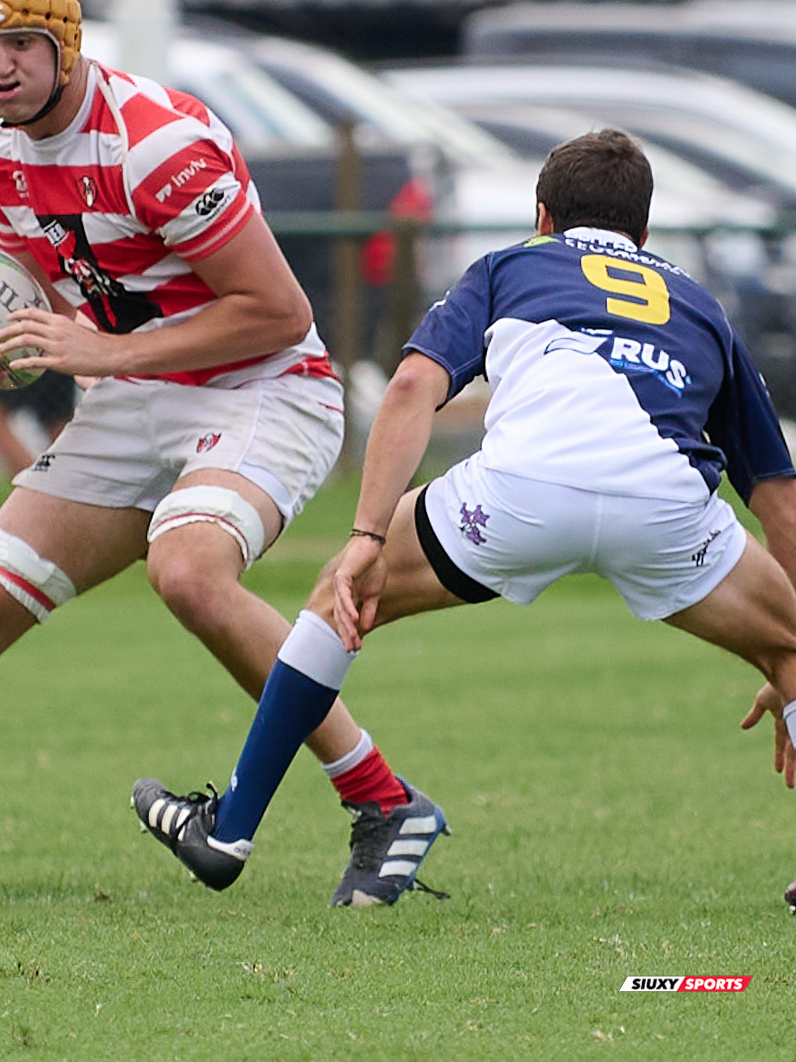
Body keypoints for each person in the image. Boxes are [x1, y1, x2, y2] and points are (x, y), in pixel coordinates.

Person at [0, 0, 442, 910]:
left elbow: (276, 310)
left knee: (186, 570)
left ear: (65, 39)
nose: (0, 67)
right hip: (138, 395)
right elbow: (55, 318)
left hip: (263, 385)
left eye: (21, 43)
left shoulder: (156, 143)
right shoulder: (1, 163)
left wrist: (99, 355)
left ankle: (384, 801)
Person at [138, 130, 796, 907]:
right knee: (795, 645)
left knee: (338, 599)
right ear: (644, 234)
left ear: (543, 216)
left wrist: (365, 537)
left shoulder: (510, 265)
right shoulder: (700, 304)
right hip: (667, 508)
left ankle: (229, 830)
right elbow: (777, 495)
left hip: (520, 494)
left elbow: (414, 386)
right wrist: (782, 657)